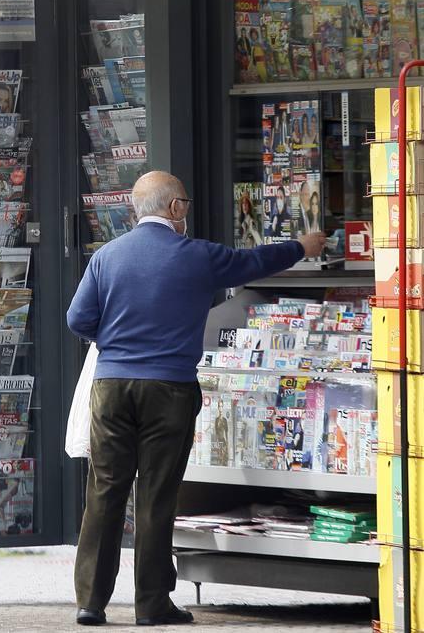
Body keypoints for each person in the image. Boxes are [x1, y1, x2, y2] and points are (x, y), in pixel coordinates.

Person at [67, 170, 325, 627]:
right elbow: (254, 262)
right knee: (157, 495)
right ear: (175, 209)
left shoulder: (107, 257)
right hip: (169, 388)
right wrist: (302, 247)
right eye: (185, 202)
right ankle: (151, 604)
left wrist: (117, 344)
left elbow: (77, 318)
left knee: (104, 493)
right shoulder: (198, 257)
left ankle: (90, 602)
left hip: (111, 388)